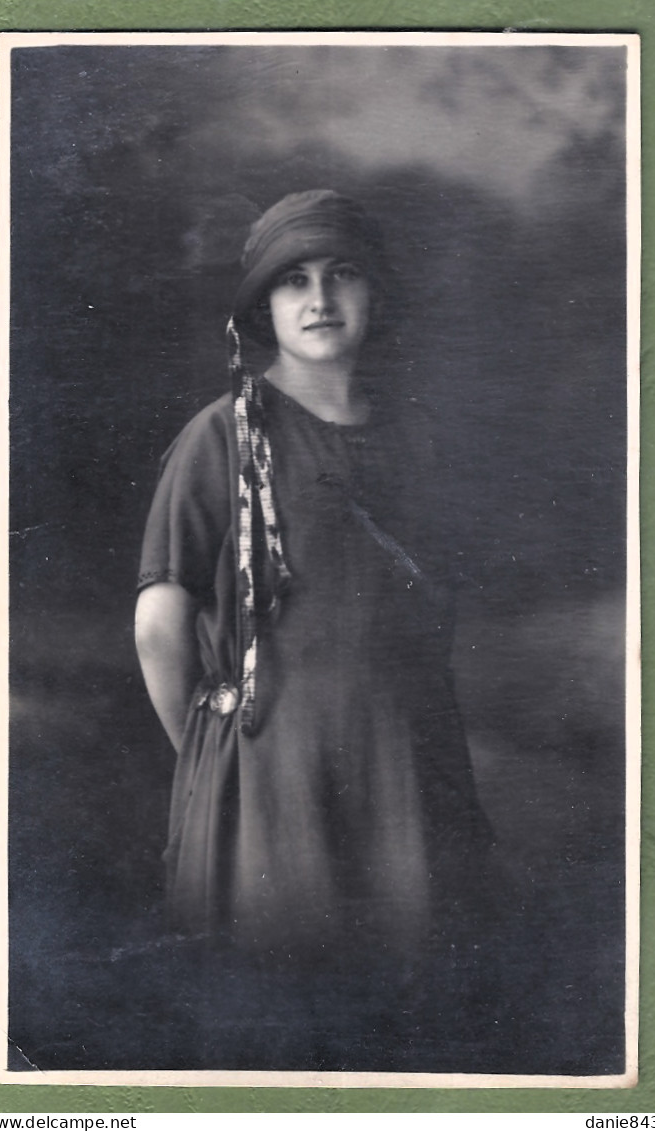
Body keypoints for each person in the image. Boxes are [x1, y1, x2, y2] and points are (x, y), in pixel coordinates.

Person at [135, 190, 499, 990]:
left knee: (418, 995)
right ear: (264, 304)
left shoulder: (416, 436)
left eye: (343, 275)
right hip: (272, 768)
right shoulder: (224, 434)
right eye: (293, 280)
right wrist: (210, 753)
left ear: (374, 292)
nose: (321, 299)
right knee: (286, 1002)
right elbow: (160, 626)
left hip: (407, 762)